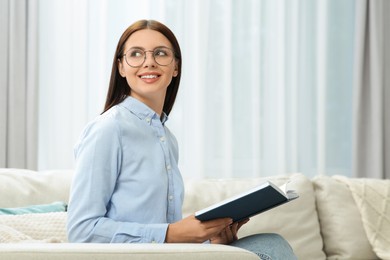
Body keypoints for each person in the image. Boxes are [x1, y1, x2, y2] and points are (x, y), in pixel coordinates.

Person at [67, 19, 297, 259]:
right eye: (136, 54)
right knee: (271, 249)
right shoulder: (108, 129)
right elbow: (81, 230)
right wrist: (170, 233)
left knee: (270, 242)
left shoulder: (167, 139)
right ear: (121, 67)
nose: (149, 62)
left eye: (161, 53)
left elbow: (167, 234)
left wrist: (211, 239)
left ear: (175, 66)